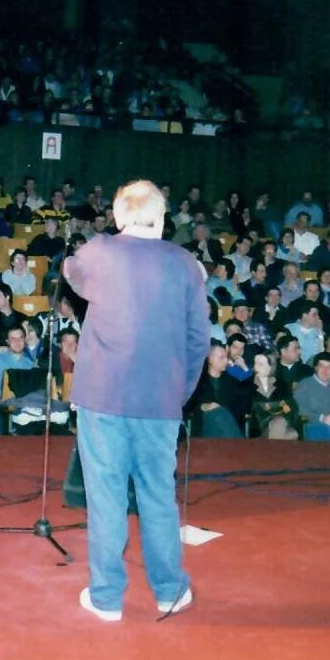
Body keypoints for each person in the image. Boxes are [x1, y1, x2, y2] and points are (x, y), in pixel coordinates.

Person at [64, 179, 206, 622]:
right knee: (158, 497)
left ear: (120, 216)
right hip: (159, 401)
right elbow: (198, 341)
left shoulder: (100, 251)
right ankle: (169, 592)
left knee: (105, 496)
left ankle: (107, 599)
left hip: (102, 397)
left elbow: (71, 272)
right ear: (163, 220)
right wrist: (176, 394)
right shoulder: (186, 265)